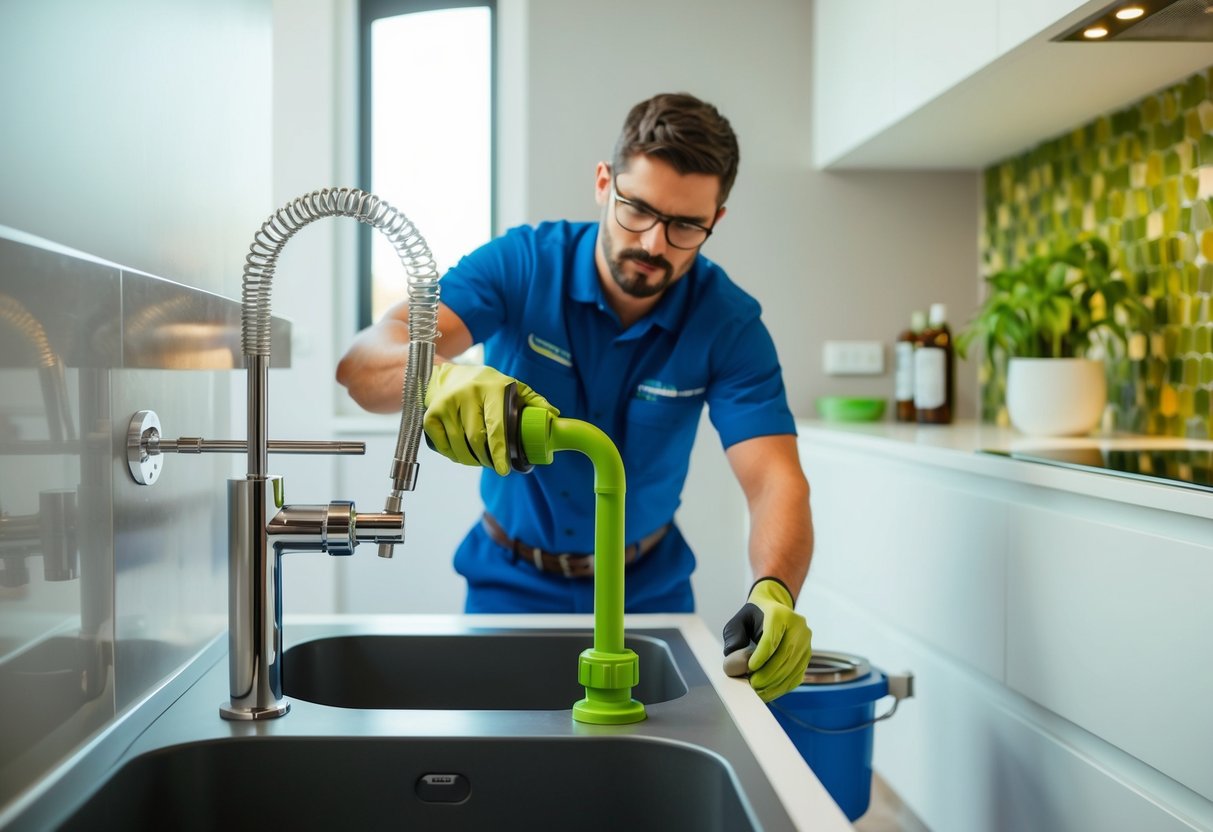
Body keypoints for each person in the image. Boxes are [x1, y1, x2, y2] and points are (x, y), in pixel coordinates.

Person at [337, 92, 812, 702]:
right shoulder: (522, 265)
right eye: (636, 209)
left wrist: (774, 589)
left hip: (650, 593)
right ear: (603, 182)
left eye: (685, 226)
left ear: (715, 220)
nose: (654, 244)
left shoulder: (730, 324)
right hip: (508, 586)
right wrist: (430, 378)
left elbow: (775, 479)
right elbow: (362, 362)